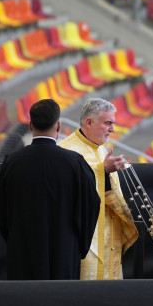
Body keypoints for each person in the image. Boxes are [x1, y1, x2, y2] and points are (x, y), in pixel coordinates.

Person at [0, 99, 100, 280]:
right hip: (64, 253)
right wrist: (78, 247)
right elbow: (90, 207)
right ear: (58, 126)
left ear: (30, 125)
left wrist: (14, 239)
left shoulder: (11, 162)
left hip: (23, 253)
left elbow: (0, 209)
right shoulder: (75, 163)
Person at [59, 98, 138, 280]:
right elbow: (67, 193)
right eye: (108, 123)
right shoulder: (65, 151)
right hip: (85, 239)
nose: (112, 129)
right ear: (89, 122)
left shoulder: (102, 150)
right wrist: (102, 171)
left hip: (110, 237)